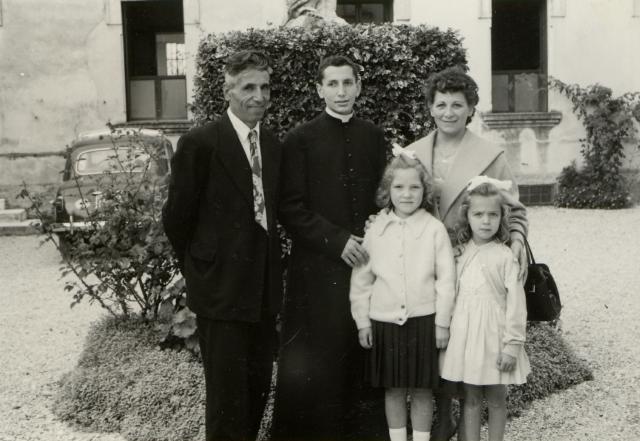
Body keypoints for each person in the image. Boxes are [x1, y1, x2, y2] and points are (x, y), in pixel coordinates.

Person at [162, 50, 282, 441]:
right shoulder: (201, 143)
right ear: (228, 90)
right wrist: (201, 269)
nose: (259, 96)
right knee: (227, 402)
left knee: (257, 389)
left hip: (262, 291)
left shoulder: (273, 144)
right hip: (220, 291)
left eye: (265, 87)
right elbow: (177, 218)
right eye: (249, 87)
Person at [403, 66, 528, 441]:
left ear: (471, 108)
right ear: (430, 108)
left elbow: (514, 208)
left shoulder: (489, 155)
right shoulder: (413, 153)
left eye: (458, 104)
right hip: (423, 266)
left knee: (464, 347)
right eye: (440, 104)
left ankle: (454, 427)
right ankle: (436, 425)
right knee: (434, 349)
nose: (449, 112)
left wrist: (517, 241)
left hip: (466, 262)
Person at [271, 55, 389, 440]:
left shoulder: (373, 135)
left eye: (347, 83)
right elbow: (289, 206)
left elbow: (383, 198)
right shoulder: (300, 139)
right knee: (320, 361)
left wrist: (376, 226)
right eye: (332, 84)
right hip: (319, 270)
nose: (341, 92)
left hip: (368, 265)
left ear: (359, 86)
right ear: (319, 89)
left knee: (364, 350)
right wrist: (337, 242)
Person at [349, 150, 456, 441]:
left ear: (425, 191)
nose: (406, 194)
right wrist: (363, 322)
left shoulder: (434, 230)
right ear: (387, 191)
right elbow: (361, 279)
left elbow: (447, 279)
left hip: (424, 321)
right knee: (393, 389)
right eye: (398, 187)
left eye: (414, 187)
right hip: (384, 322)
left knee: (422, 389)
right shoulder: (376, 230)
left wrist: (443, 322)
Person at [441, 177, 531, 441]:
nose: (485, 221)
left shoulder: (506, 257)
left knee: (496, 398)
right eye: (478, 214)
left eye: (493, 214)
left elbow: (516, 305)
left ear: (502, 217)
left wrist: (512, 345)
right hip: (467, 340)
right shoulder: (459, 255)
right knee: (469, 398)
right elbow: (450, 296)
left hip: (495, 339)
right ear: (466, 216)